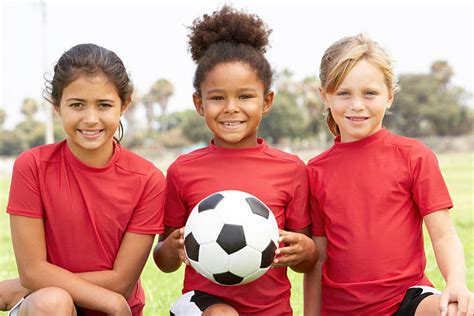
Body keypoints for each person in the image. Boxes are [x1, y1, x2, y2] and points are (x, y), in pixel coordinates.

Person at [153, 5, 317, 316]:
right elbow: (163, 260)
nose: (231, 108)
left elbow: (306, 259)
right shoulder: (182, 170)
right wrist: (172, 249)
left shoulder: (291, 169)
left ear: (266, 101)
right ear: (199, 104)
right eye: (217, 98)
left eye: (245, 96)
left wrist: (305, 249)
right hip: (201, 307)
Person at [304, 33, 474, 316]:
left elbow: (443, 235)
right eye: (344, 93)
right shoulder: (316, 171)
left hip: (406, 300)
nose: (357, 105)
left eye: (369, 93)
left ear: (390, 96)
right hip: (343, 309)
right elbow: (318, 259)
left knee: (461, 311)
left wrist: (456, 282)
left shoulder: (414, 156)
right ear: (325, 96)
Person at [0, 43, 166, 316]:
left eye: (104, 105)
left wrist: (22, 285)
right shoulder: (32, 166)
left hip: (115, 309)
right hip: (50, 306)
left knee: (52, 292)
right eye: (77, 105)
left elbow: (121, 282)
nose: (90, 119)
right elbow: (32, 270)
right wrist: (32, 284)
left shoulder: (148, 180)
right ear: (57, 106)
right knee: (52, 301)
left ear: (124, 104)